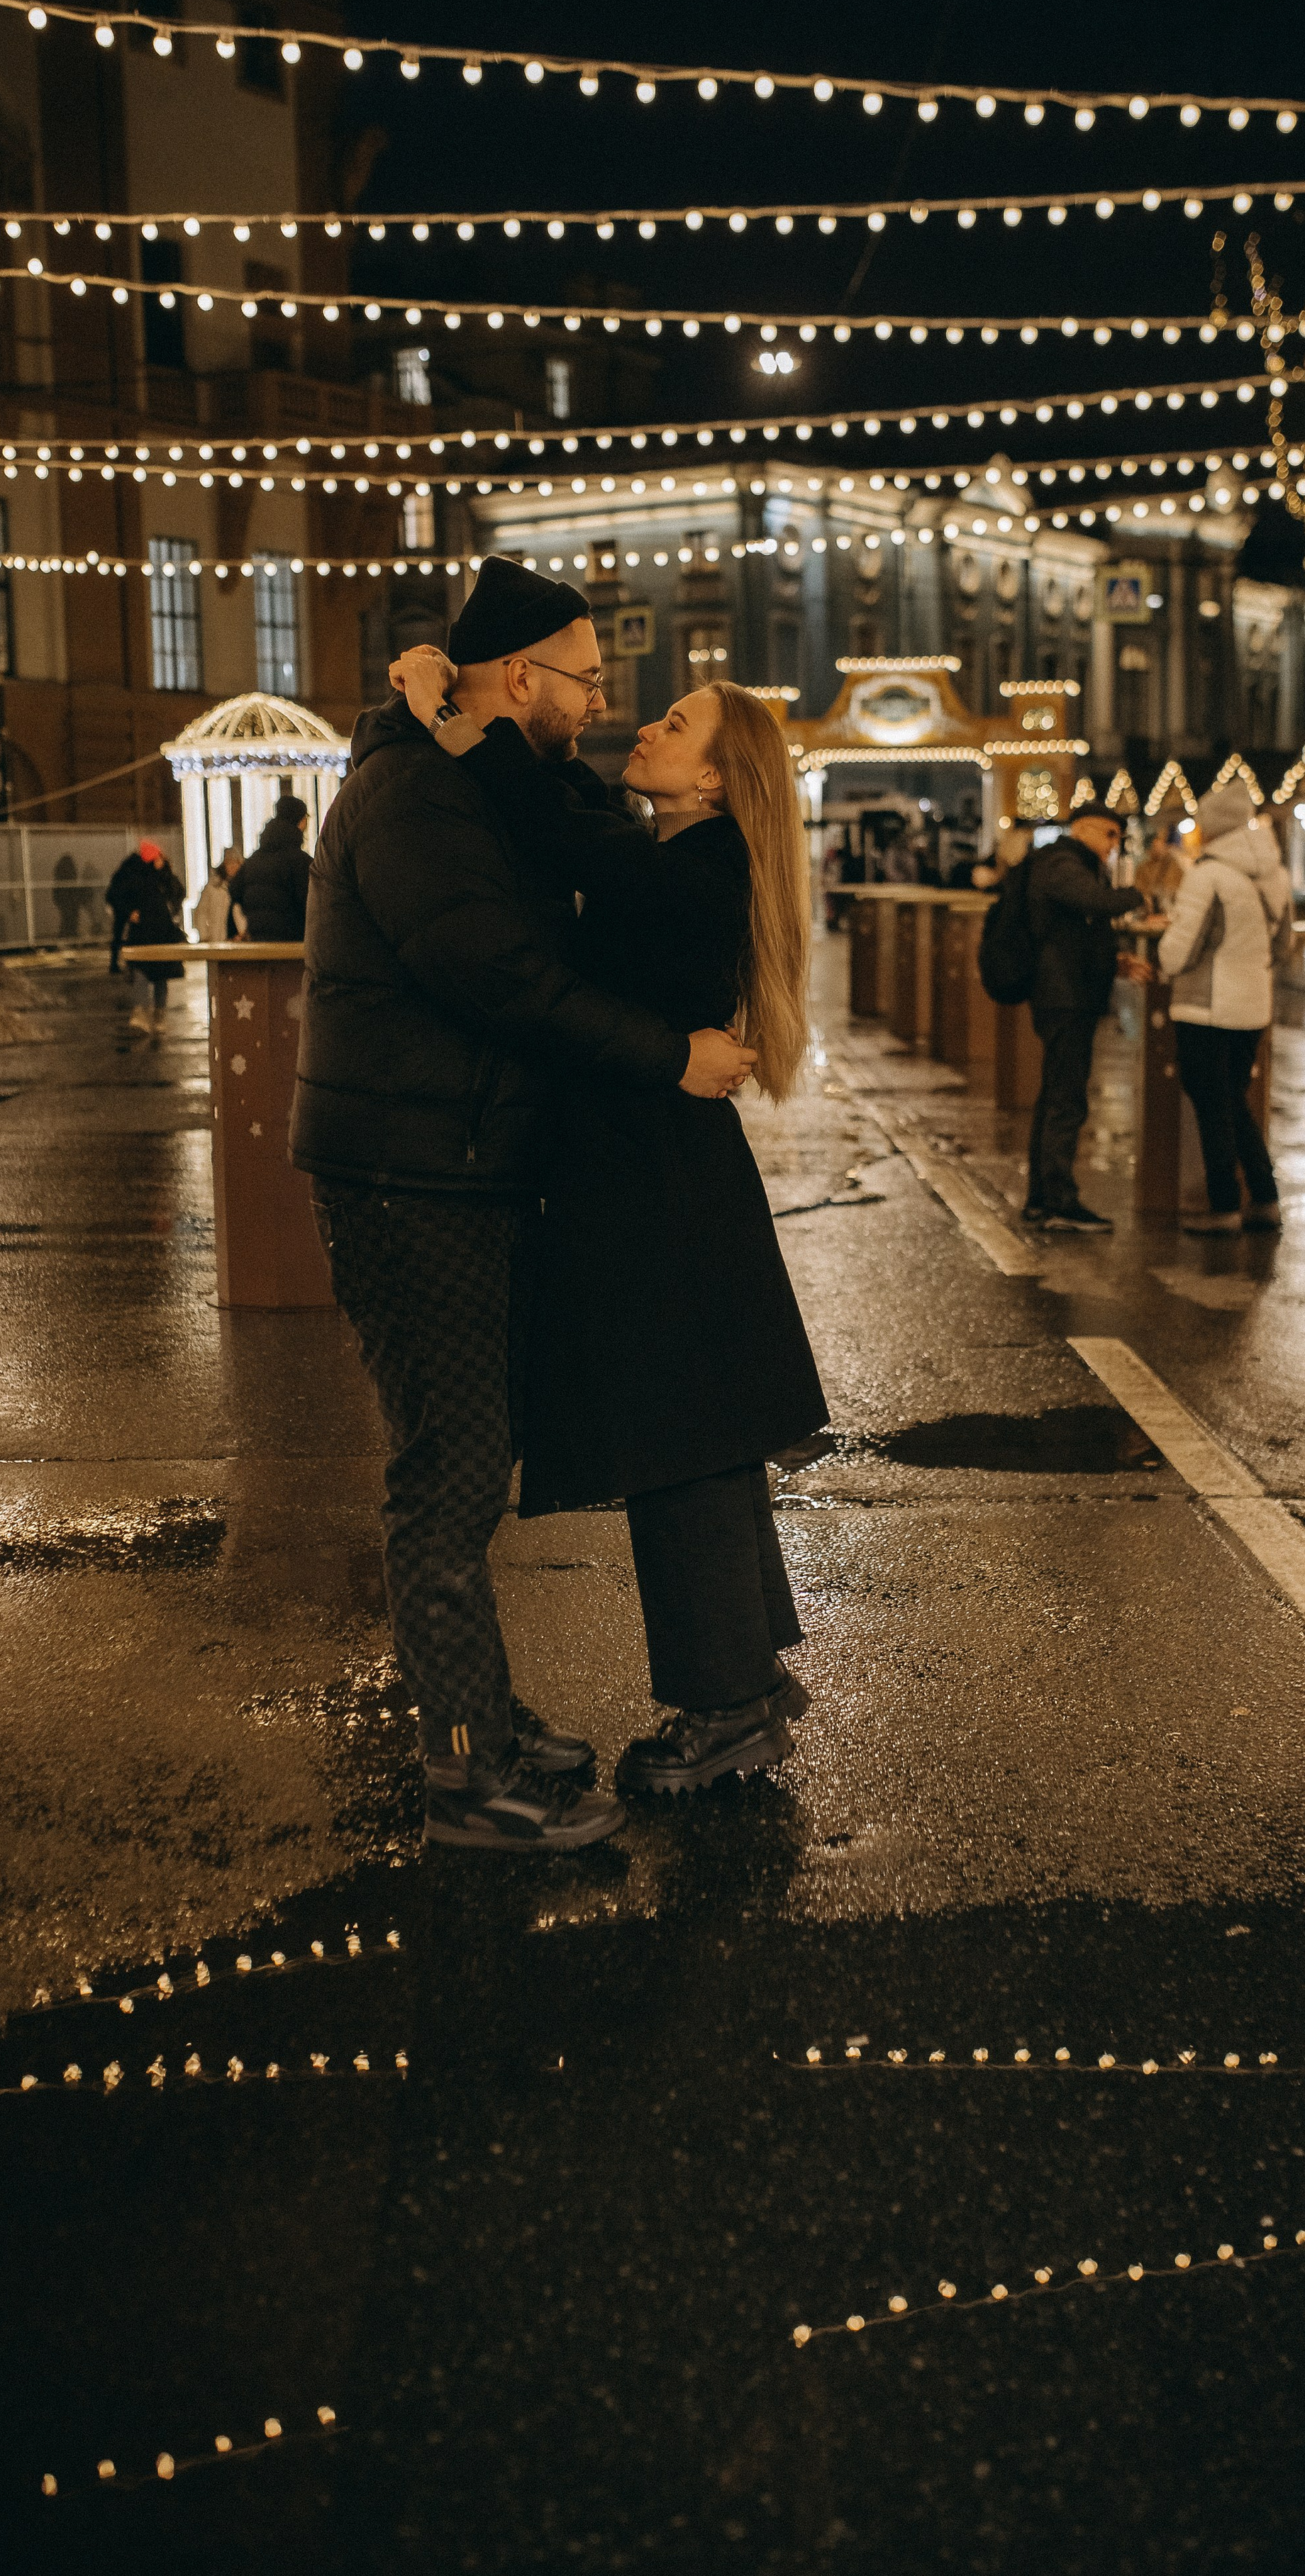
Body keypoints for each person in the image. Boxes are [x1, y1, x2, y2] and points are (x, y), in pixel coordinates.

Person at [289, 557, 756, 1853]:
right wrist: (665, 1055)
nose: (603, 705)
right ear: (518, 679)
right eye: (586, 681)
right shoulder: (411, 798)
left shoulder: (469, 773)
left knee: (464, 1459)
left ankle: (479, 1721)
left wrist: (457, 710)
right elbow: (497, 973)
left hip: (460, 1157)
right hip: (407, 1169)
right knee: (443, 1474)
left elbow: (569, 830)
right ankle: (464, 1772)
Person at [395, 651, 828, 1797]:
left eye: (674, 726)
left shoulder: (690, 870)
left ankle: (727, 1707)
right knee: (707, 1439)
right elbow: (586, 821)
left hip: (657, 1190)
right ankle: (751, 1679)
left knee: (679, 1447)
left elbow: (563, 835)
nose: (643, 728)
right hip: (672, 1180)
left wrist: (466, 726)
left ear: (719, 779)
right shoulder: (691, 854)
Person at [1156, 779, 1294, 1236]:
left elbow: (1180, 952)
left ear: (1214, 829)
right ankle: (1265, 1198)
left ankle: (1224, 1207)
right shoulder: (1276, 875)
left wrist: (1162, 949)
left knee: (1212, 1103)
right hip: (1253, 1007)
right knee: (1233, 1099)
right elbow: (1283, 945)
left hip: (1206, 1007)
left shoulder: (1208, 875)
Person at [1023, 804, 1148, 1232]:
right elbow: (1095, 904)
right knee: (1065, 1100)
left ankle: (1043, 1198)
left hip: (1070, 993)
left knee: (1057, 1095)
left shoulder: (1072, 864)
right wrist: (1137, 895)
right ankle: (1058, 1201)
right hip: (1064, 999)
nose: (1115, 846)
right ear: (1085, 829)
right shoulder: (1062, 862)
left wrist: (1114, 962)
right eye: (1110, 835)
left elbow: (1077, 934)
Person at [104, 840, 186, 1030]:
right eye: (157, 856)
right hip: (143, 932)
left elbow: (178, 893)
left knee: (161, 975)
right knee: (142, 972)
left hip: (162, 931)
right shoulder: (134, 875)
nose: (160, 859)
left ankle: (159, 1015)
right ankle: (141, 1013)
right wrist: (128, 912)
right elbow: (116, 895)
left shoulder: (164, 876)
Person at [228, 796, 312, 941]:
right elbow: (310, 903)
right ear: (302, 821)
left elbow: (235, 889)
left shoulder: (253, 861)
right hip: (293, 944)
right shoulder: (301, 862)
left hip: (258, 940)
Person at [1135, 829, 1187, 911]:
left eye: (1161, 844)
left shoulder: (1175, 866)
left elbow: (1179, 888)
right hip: (1149, 909)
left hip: (1170, 908)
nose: (1158, 849)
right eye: (1155, 845)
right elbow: (1139, 889)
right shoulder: (1143, 868)